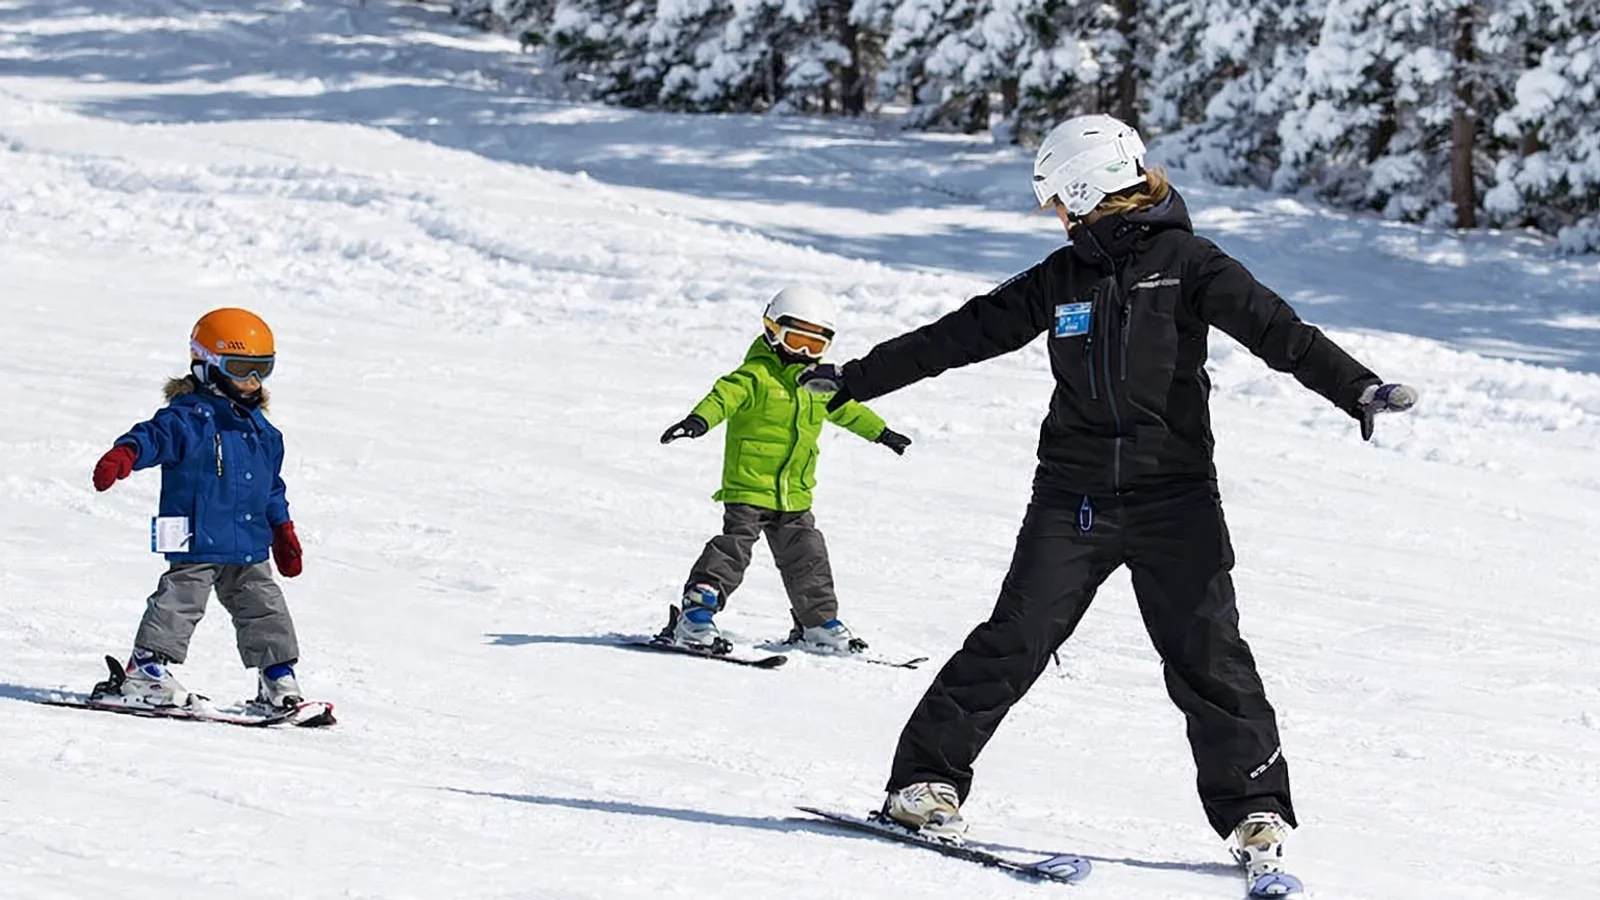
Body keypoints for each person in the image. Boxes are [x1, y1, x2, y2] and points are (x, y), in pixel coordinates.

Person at [797, 115, 1416, 883]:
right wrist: (856, 378)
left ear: (1085, 189)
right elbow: (961, 334)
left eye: (1059, 199)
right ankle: (923, 783)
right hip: (1074, 497)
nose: (1057, 214)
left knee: (1208, 653)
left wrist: (1356, 386)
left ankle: (1254, 811)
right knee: (1015, 638)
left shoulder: (1189, 263)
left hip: (1176, 499)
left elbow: (1277, 331)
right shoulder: (1061, 279)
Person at [658, 286, 913, 654]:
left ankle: (818, 623)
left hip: (795, 492)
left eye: (815, 346)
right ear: (771, 330)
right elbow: (722, 398)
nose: (804, 353)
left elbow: (847, 408)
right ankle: (696, 614)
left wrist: (882, 432)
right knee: (734, 549)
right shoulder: (754, 376)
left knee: (808, 556)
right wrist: (698, 421)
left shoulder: (819, 384)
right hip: (748, 487)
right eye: (796, 340)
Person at [91, 308, 308, 711]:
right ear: (207, 366)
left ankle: (277, 676)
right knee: (180, 600)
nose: (252, 381)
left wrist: (282, 530)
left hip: (248, 543)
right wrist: (126, 453)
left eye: (263, 369)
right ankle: (145, 669)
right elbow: (151, 437)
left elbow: (271, 488)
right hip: (196, 535)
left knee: (265, 607)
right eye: (241, 367)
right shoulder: (188, 419)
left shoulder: (265, 434)